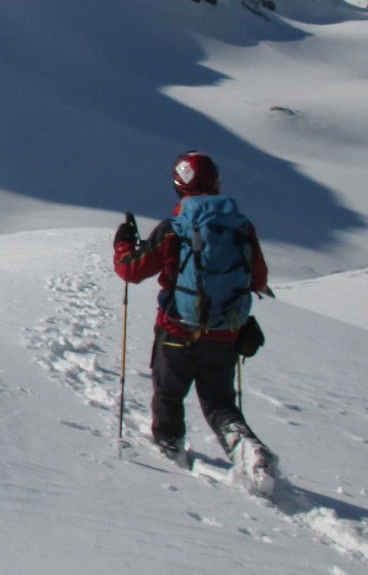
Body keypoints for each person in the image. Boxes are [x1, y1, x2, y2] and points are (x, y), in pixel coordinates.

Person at [113, 151, 277, 480]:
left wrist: (123, 244)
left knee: (169, 395)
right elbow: (257, 278)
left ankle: (169, 453)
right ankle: (248, 450)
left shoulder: (174, 229)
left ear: (179, 186)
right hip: (225, 334)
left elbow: (130, 270)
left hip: (176, 331)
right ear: (216, 183)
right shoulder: (241, 228)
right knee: (220, 403)